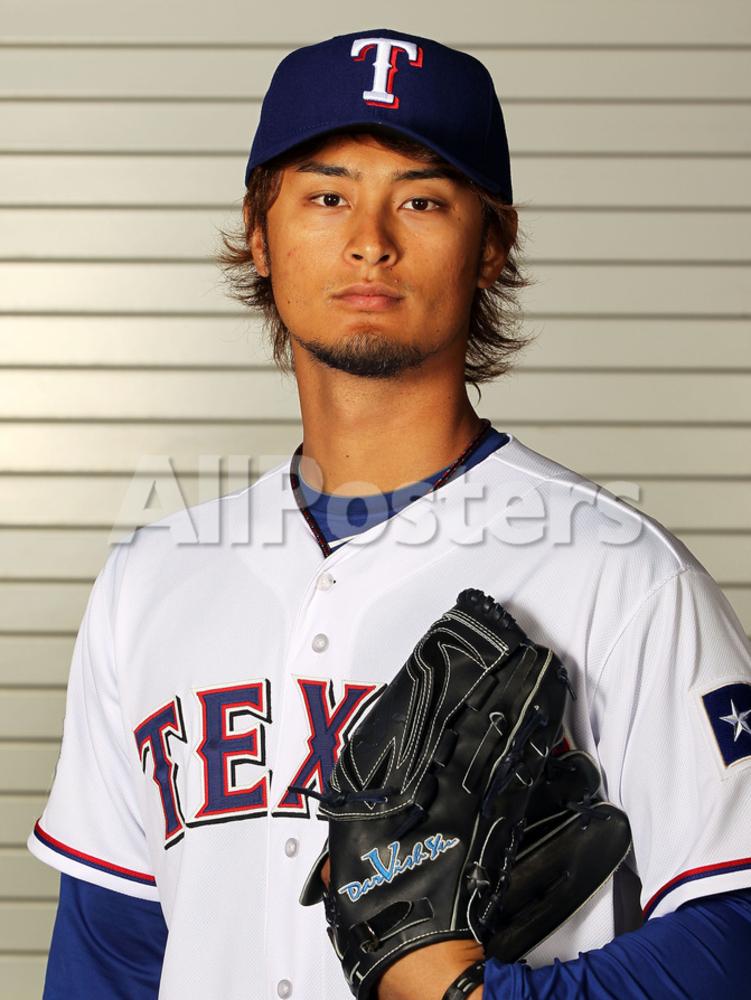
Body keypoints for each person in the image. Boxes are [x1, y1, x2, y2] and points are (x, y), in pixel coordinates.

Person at [28, 28, 751, 1000]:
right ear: (260, 233)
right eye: (327, 196)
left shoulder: (619, 571)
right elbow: (111, 948)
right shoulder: (150, 579)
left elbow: (734, 928)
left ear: (490, 245)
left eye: (420, 199)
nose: (370, 238)